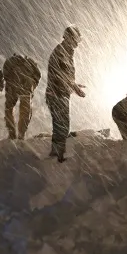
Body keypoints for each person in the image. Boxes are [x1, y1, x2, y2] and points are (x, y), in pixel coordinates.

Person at [46, 26, 85, 161]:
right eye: (76, 40)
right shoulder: (61, 52)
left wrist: (74, 86)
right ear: (69, 37)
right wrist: (74, 87)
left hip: (60, 93)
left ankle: (57, 155)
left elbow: (64, 76)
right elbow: (60, 74)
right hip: (56, 94)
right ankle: (57, 157)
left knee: (62, 124)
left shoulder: (66, 53)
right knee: (61, 125)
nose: (77, 43)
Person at [2, 53, 41, 140]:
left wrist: (9, 83)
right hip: (27, 86)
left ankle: (11, 133)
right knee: (25, 110)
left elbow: (5, 74)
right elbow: (38, 75)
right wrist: (32, 86)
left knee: (9, 108)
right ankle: (21, 133)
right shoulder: (31, 63)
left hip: (13, 84)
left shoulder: (10, 61)